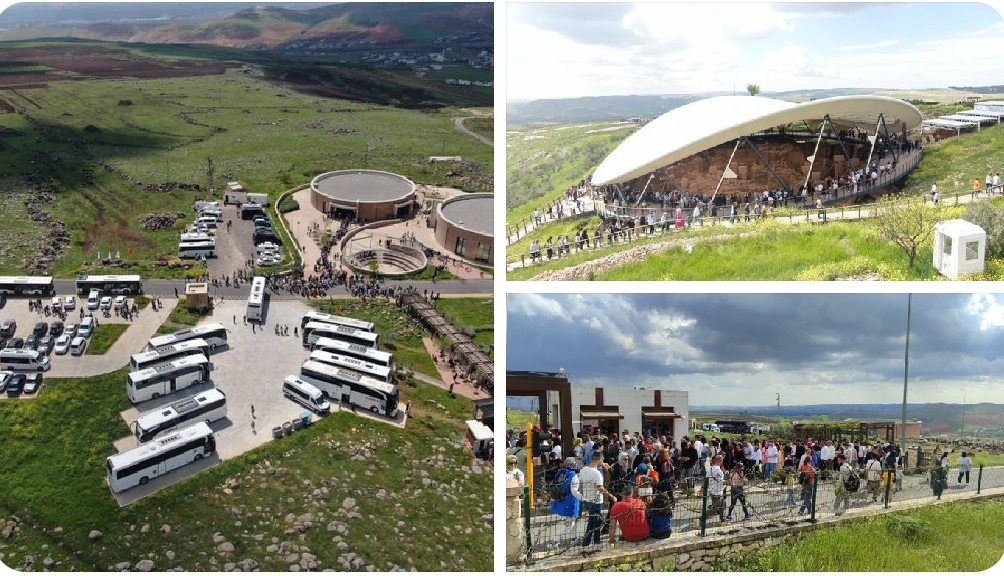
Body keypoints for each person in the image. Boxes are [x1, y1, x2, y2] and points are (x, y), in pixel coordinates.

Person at [576, 452, 616, 554]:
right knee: (592, 523)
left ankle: (597, 543)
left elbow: (581, 484)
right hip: (596, 501)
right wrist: (611, 496)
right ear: (599, 460)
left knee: (597, 522)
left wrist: (585, 495)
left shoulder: (583, 469)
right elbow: (600, 488)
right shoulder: (597, 473)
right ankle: (585, 545)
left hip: (587, 500)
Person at [550, 458, 581, 546]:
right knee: (569, 523)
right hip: (571, 501)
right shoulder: (573, 475)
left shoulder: (561, 472)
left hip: (560, 499)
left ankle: (574, 538)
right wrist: (584, 498)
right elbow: (574, 491)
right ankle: (555, 541)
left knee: (573, 519)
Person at [707, 454, 727, 524]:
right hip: (717, 492)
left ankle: (723, 521)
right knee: (715, 509)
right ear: (721, 461)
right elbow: (722, 482)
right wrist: (731, 483)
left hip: (712, 490)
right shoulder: (718, 470)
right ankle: (701, 519)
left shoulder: (710, 468)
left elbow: (706, 479)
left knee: (723, 505)